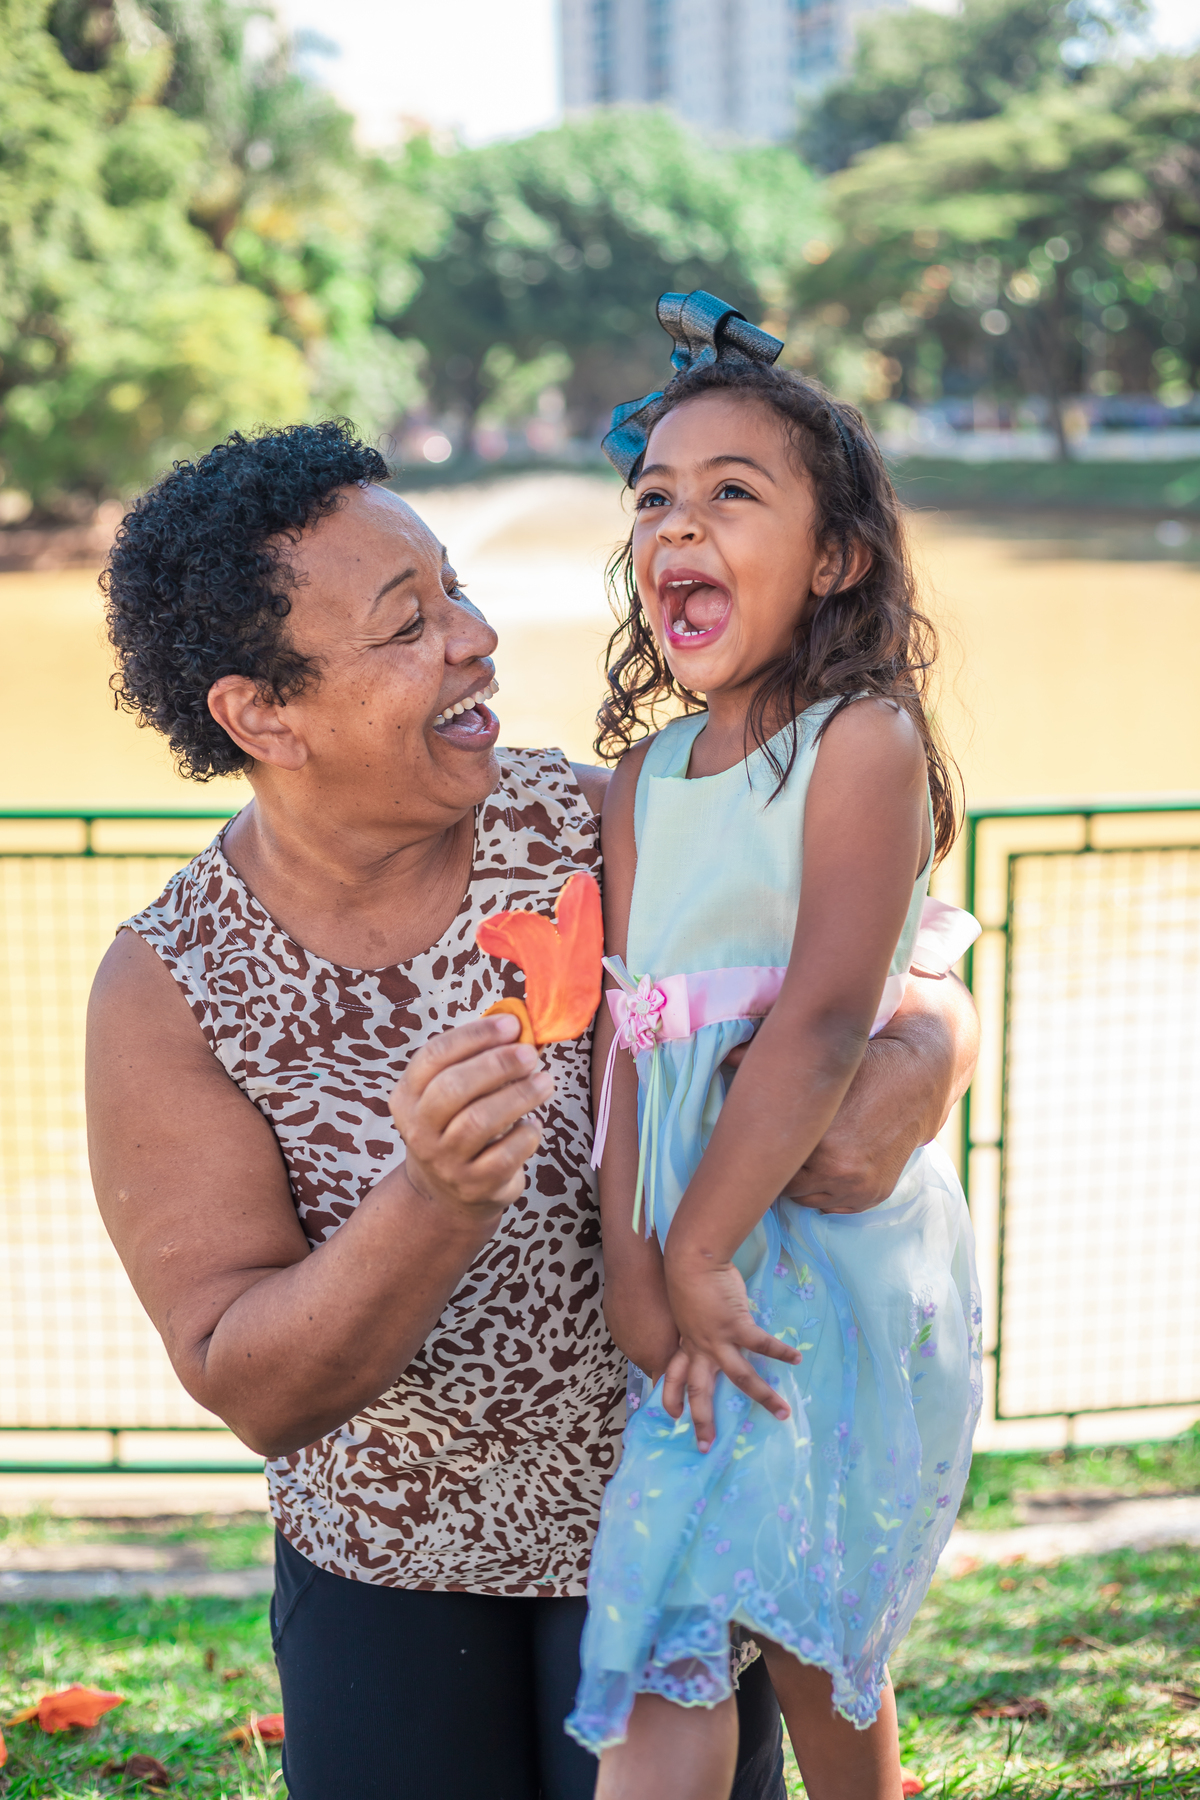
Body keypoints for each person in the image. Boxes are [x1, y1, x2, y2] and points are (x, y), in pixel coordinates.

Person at [88, 418, 979, 1800]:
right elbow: (247, 1379)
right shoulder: (171, 985)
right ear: (263, 715)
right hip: (384, 1558)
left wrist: (926, 1060)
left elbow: (864, 970)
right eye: (408, 625)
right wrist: (433, 1199)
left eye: (456, 589)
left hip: (664, 1517)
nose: (476, 637)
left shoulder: (603, 818)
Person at [566, 294, 982, 1800]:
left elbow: (816, 1026)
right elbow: (629, 1036)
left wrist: (697, 1249)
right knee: (671, 1620)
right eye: (654, 498)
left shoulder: (861, 743)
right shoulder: (643, 778)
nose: (679, 524)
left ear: (836, 558)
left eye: (731, 494)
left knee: (810, 1639)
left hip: (810, 1261)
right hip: (687, 1242)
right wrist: (636, 1258)